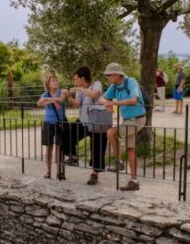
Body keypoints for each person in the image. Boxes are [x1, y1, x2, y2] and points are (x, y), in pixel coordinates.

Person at [100, 63, 146, 191]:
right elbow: (101, 99)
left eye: (109, 75)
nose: (107, 77)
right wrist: (107, 103)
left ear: (116, 74)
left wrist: (114, 103)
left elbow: (134, 100)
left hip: (137, 119)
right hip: (127, 121)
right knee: (131, 149)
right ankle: (134, 181)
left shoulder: (130, 81)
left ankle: (119, 162)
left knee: (111, 132)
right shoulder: (114, 86)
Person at [62, 66, 107, 185]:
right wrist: (68, 96)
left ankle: (94, 174)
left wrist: (78, 89)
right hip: (83, 121)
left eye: (76, 79)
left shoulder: (96, 84)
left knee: (97, 147)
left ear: (82, 78)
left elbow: (95, 94)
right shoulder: (80, 90)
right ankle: (74, 157)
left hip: (96, 121)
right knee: (67, 133)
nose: (74, 81)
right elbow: (77, 104)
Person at [37, 74, 66, 180]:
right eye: (53, 81)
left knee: (59, 148)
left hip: (59, 123)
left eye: (56, 80)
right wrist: (52, 100)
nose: (55, 82)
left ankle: (58, 172)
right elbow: (39, 103)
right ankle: (48, 171)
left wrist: (49, 100)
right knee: (49, 147)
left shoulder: (61, 92)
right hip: (48, 122)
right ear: (48, 84)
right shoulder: (45, 94)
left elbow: (61, 100)